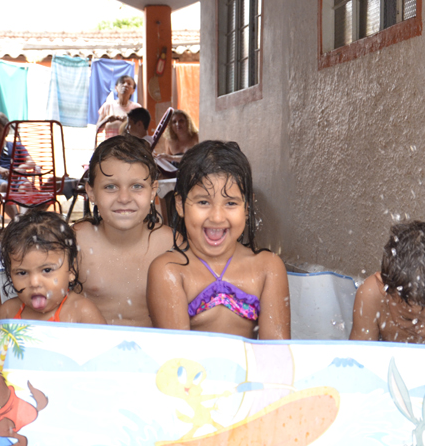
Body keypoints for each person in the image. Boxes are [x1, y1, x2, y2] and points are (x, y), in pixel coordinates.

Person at [147, 141, 291, 340]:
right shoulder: (170, 270)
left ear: (247, 208)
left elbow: (276, 355)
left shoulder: (268, 268)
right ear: (180, 204)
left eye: (230, 203)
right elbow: (178, 358)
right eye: (203, 202)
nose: (216, 217)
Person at [74, 135, 174, 327]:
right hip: (91, 351)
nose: (124, 197)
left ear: (153, 190)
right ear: (91, 192)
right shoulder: (77, 241)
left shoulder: (170, 244)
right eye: (110, 187)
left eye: (137, 186)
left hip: (151, 353)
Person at [0, 210, 106, 324]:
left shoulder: (81, 312)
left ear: (71, 270)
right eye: (22, 273)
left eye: (47, 270)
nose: (34, 283)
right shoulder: (8, 312)